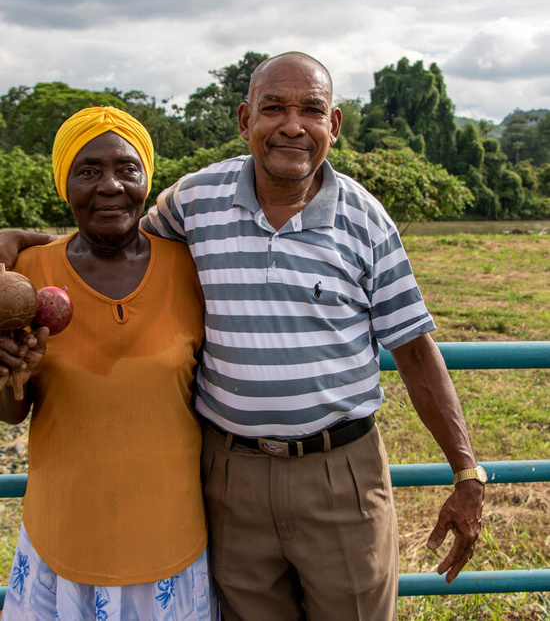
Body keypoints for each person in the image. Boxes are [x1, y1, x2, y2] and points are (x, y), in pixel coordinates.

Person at [0, 53, 485, 621]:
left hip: (339, 472)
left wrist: (467, 470)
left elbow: (415, 350)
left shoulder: (368, 220)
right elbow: (112, 235)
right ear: (243, 118)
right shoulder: (194, 202)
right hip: (230, 476)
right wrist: (21, 244)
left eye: (311, 110)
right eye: (273, 108)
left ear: (334, 124)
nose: (291, 125)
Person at [0, 107, 218, 620]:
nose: (110, 186)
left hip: (172, 536)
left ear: (147, 180)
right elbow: (11, 413)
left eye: (127, 169)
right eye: (88, 171)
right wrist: (6, 367)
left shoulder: (191, 268)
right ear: (63, 183)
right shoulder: (25, 277)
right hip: (64, 535)